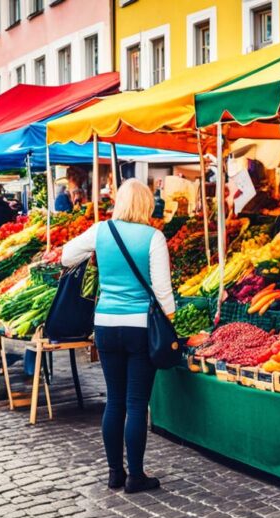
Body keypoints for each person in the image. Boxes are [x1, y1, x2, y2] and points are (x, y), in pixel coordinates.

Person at [61, 178, 175, 493]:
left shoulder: (101, 231)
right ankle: (136, 476)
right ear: (147, 205)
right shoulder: (154, 237)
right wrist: (171, 325)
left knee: (115, 400)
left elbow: (66, 256)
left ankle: (115, 473)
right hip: (140, 327)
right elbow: (163, 294)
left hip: (105, 326)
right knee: (137, 403)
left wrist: (97, 256)